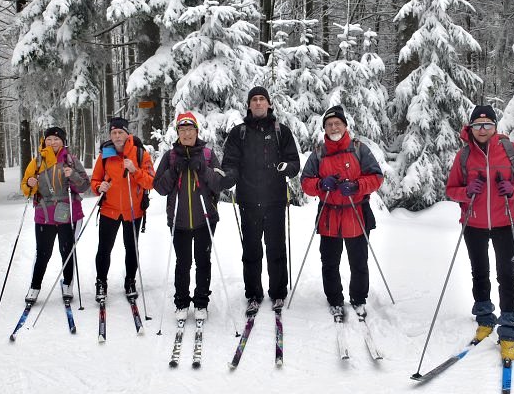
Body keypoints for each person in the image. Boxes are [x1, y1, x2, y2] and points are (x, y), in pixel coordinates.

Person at [445, 105, 514, 361]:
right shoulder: (464, 156)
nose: (482, 130)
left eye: (487, 125)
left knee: (506, 274)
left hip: (506, 221)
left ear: (495, 127)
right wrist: (466, 192)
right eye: (477, 125)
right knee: (479, 272)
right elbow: (451, 189)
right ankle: (485, 316)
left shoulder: (511, 150)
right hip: (473, 223)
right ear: (470, 128)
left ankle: (508, 326)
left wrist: (513, 190)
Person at [221, 86, 300, 314]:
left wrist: (288, 168)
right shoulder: (239, 133)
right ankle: (253, 294)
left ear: (269, 104)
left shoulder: (281, 131)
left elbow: (293, 161)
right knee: (252, 251)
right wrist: (229, 177)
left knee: (276, 249)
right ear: (248, 105)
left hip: (275, 201)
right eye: (254, 100)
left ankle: (278, 293)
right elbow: (230, 163)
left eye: (261, 99)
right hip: (248, 201)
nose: (257, 103)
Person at [300, 105, 383, 319]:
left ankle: (358, 299)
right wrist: (320, 184)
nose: (334, 127)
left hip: (355, 212)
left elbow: (376, 177)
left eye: (337, 123)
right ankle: (335, 300)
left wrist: (357, 186)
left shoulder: (359, 149)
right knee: (329, 262)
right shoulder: (318, 153)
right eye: (329, 124)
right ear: (324, 129)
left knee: (358, 262)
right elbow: (306, 183)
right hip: (329, 215)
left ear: (345, 125)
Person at [153, 112, 227, 321]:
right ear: (177, 133)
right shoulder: (170, 156)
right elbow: (159, 187)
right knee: (182, 263)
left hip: (205, 218)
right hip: (179, 220)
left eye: (190, 130)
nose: (186, 134)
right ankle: (182, 302)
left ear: (197, 131)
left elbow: (219, 184)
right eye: (182, 130)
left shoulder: (207, 154)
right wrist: (174, 170)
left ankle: (201, 302)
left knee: (203, 261)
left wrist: (203, 168)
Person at [20, 126, 90, 305]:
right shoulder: (36, 162)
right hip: (44, 214)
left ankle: (68, 284)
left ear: (63, 141)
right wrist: (30, 182)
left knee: (67, 251)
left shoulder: (71, 160)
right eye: (49, 139)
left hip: (68, 214)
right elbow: (26, 189)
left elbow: (84, 187)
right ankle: (34, 287)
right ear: (44, 141)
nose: (53, 142)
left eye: (57, 139)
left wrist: (72, 175)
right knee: (43, 253)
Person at [90, 117, 155, 302]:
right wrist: (98, 187)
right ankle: (101, 282)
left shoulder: (140, 153)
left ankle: (130, 281)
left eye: (120, 132)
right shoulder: (105, 154)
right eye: (114, 132)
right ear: (110, 134)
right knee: (104, 249)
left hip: (133, 211)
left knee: (131, 249)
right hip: (109, 210)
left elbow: (151, 182)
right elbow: (94, 180)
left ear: (127, 134)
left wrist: (135, 170)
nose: (117, 136)